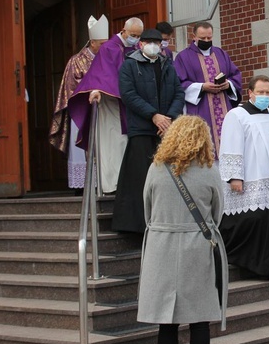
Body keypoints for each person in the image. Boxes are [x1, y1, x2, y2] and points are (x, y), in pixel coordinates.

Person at [136, 115, 227, 344]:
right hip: (196, 247)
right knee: (199, 321)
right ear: (203, 139)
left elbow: (147, 210)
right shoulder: (209, 170)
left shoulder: (156, 169)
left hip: (161, 247)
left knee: (167, 322)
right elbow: (218, 213)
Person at [218, 75, 269, 280]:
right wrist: (235, 177)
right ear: (250, 93)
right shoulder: (237, 115)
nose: (264, 96)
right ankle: (246, 263)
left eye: (268, 92)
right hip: (250, 177)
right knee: (251, 220)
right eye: (260, 92)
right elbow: (230, 145)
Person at [112, 28, 185, 233]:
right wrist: (154, 115)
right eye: (149, 42)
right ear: (141, 44)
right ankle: (136, 226)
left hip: (166, 130)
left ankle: (166, 220)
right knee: (139, 178)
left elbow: (179, 93)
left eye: (158, 42)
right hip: (142, 129)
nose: (154, 46)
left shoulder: (167, 65)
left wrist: (169, 118)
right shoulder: (129, 65)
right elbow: (128, 95)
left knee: (168, 178)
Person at [67, 17, 144, 194]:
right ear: (124, 31)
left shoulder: (130, 48)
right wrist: (97, 90)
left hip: (124, 106)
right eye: (133, 35)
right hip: (110, 106)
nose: (136, 39)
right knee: (113, 144)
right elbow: (102, 77)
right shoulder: (110, 48)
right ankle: (111, 185)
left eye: (138, 36)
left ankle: (123, 183)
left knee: (122, 144)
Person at [49, 15, 109, 191]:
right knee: (81, 145)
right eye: (101, 44)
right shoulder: (76, 61)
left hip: (104, 110)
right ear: (92, 42)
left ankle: (103, 182)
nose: (105, 47)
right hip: (81, 111)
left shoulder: (108, 58)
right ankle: (81, 186)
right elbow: (70, 87)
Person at [174, 21, 242, 159]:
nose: (206, 41)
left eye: (209, 38)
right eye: (202, 38)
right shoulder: (183, 57)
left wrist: (228, 85)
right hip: (200, 107)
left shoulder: (221, 53)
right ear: (194, 36)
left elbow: (236, 75)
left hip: (223, 106)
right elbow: (178, 82)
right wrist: (202, 87)